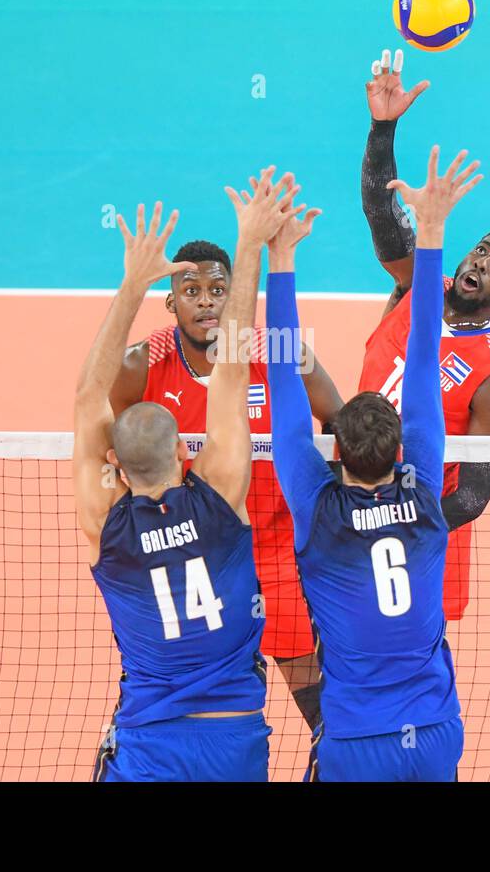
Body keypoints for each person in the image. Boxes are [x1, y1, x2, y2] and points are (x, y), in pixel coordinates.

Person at [73, 176, 298, 781]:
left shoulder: (107, 529)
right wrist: (251, 242)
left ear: (116, 465)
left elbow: (89, 394)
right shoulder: (223, 501)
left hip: (150, 745)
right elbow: (231, 370)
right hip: (233, 741)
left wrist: (132, 283)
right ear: (184, 451)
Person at [268, 146, 481, 781]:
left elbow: (284, 376)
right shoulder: (424, 500)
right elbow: (423, 354)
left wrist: (280, 258)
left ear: (333, 452)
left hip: (356, 743)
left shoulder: (317, 507)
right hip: (437, 733)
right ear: (403, 449)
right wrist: (435, 228)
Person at [108, 173, 343, 732]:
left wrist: (325, 514)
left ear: (236, 294)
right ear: (170, 302)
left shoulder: (282, 353)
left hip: (277, 553)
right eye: (192, 291)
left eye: (219, 289)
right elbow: (113, 447)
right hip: (196, 558)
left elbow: (340, 424)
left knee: (318, 704)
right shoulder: (142, 365)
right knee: (189, 701)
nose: (207, 302)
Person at [358, 48, 490, 620]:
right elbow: (384, 217)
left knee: (408, 659)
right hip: (346, 493)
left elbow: (474, 495)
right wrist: (383, 128)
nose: (483, 260)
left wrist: (395, 516)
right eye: (483, 248)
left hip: (417, 530)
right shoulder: (419, 288)